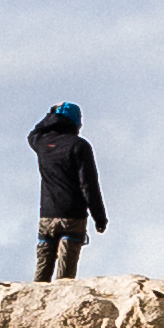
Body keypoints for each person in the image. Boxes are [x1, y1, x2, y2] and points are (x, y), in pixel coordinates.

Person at [26, 104, 106, 281]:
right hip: (73, 217)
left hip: (47, 215)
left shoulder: (42, 144)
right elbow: (89, 185)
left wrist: (51, 113)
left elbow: (33, 132)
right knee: (65, 278)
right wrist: (99, 218)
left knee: (41, 275)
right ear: (75, 121)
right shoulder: (79, 145)